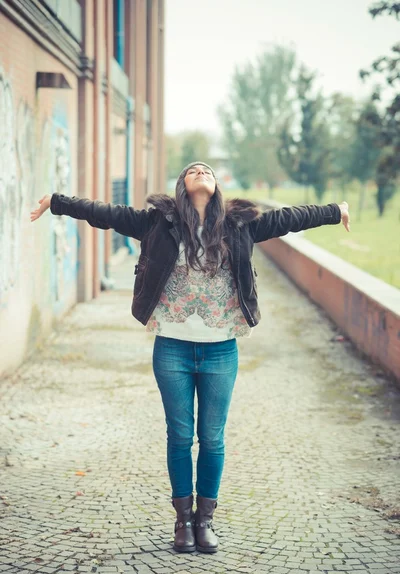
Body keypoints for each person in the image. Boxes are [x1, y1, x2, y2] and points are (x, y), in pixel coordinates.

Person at [31, 162, 350, 554]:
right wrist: (57, 202)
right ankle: (182, 521)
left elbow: (289, 218)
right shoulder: (157, 223)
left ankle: (206, 521)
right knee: (180, 436)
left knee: (212, 438)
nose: (201, 171)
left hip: (220, 348)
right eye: (192, 169)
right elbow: (106, 214)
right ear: (182, 184)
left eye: (207, 170)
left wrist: (335, 211)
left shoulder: (239, 226)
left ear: (216, 186)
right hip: (172, 347)